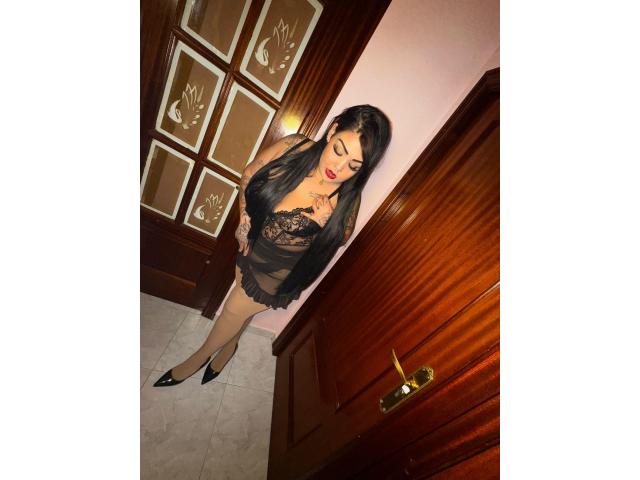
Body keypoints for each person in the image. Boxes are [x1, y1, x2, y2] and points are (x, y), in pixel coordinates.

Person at [154, 104, 392, 387]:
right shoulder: (294, 147)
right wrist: (244, 220)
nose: (338, 168)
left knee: (232, 310)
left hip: (276, 274)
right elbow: (249, 174)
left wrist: (321, 224)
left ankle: (196, 360)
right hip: (250, 246)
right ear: (332, 131)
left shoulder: (346, 200)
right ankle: (228, 350)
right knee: (239, 312)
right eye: (339, 150)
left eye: (354, 166)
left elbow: (337, 241)